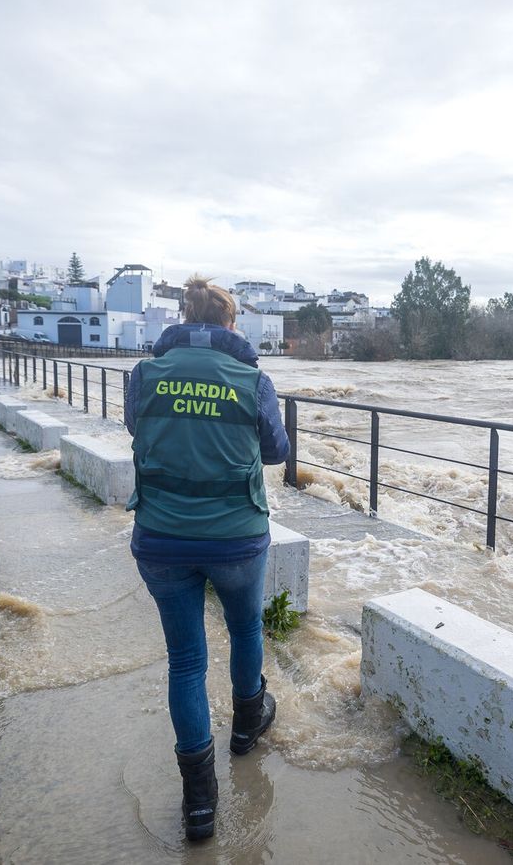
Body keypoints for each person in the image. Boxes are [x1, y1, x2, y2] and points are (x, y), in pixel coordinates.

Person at [123, 275, 290, 841]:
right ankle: (247, 728)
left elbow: (136, 429)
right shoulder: (252, 378)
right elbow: (275, 451)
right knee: (245, 629)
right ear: (227, 324)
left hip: (162, 538)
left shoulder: (144, 376)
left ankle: (199, 805)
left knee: (187, 662)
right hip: (236, 538)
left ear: (183, 320)